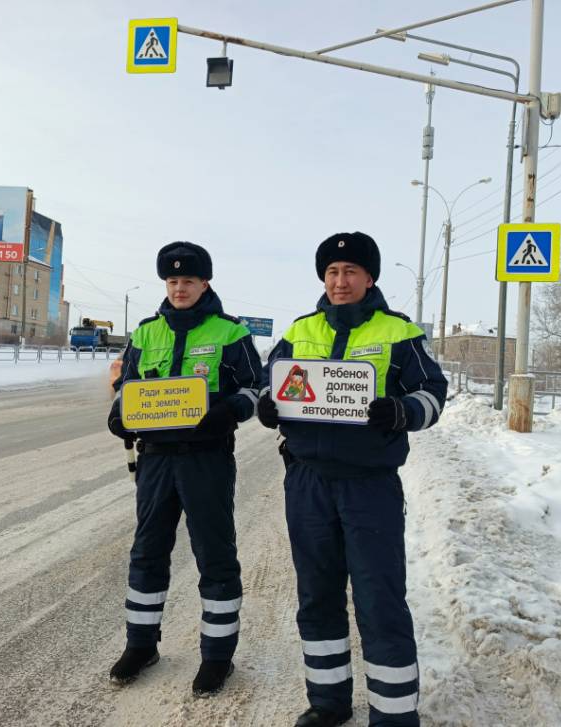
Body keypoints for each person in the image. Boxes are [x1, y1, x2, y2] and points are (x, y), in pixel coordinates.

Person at [257, 232, 447, 727]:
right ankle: (328, 703)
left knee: (379, 599)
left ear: (370, 277)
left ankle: (394, 714)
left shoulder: (399, 332)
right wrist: (267, 404)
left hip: (369, 486)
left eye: (350, 272)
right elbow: (270, 381)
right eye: (332, 272)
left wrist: (402, 410)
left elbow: (433, 392)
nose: (340, 281)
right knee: (317, 596)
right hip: (308, 483)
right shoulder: (300, 330)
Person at [106, 241, 262, 697]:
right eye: (172, 281)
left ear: (204, 283)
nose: (179, 288)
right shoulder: (146, 333)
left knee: (214, 555)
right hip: (156, 458)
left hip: (206, 459)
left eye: (188, 281)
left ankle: (217, 656)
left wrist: (228, 410)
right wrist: (119, 415)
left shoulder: (230, 332)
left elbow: (255, 388)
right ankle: (141, 645)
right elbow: (128, 386)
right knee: (147, 552)